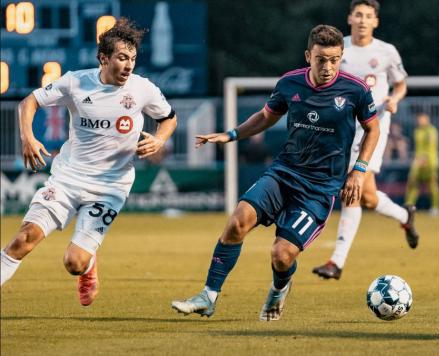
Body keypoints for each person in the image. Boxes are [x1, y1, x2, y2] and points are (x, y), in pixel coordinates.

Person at [171, 24, 380, 321]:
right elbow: (266, 117)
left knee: (281, 256)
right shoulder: (289, 84)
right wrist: (230, 134)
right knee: (237, 222)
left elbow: (374, 128)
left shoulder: (356, 90)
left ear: (341, 56)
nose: (328, 66)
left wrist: (358, 170)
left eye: (334, 59)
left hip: (319, 190)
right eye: (321, 59)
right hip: (284, 174)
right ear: (309, 56)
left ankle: (280, 288)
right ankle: (208, 296)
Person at [0, 18, 177, 307]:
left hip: (110, 187)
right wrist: (28, 137)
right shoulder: (75, 81)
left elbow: (168, 118)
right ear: (103, 58)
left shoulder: (143, 89)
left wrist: (159, 139)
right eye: (121, 58)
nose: (129, 65)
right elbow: (29, 102)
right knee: (24, 239)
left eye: (132, 58)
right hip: (67, 179)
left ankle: (88, 263)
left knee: (74, 263)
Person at [312, 0, 419, 281]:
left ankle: (336, 262)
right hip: (342, 127)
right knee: (367, 196)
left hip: (374, 127)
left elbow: (401, 83)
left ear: (376, 22)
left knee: (353, 189)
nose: (362, 20)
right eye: (358, 14)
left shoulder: (386, 52)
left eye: (368, 16)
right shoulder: (339, 49)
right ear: (349, 18)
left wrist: (394, 99)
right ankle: (404, 216)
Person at [405, 112, 439, 216]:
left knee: (432, 185)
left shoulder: (431, 131)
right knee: (412, 184)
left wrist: (424, 158)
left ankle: (435, 208)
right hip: (418, 161)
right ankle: (408, 208)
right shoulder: (417, 131)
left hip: (430, 162)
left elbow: (430, 146)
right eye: (418, 119)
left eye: (422, 119)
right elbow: (418, 148)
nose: (419, 121)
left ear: (427, 119)